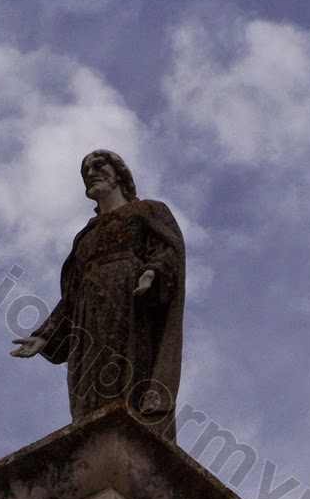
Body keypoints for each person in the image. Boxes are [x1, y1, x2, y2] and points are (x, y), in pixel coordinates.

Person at [10, 150, 185, 440]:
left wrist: (152, 271)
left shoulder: (148, 211)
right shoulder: (85, 236)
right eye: (85, 170)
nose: (91, 172)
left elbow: (168, 251)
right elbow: (72, 295)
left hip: (131, 305)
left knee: (131, 373)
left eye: (98, 165)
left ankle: (132, 438)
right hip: (87, 318)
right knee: (89, 387)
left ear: (118, 173)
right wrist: (46, 335)